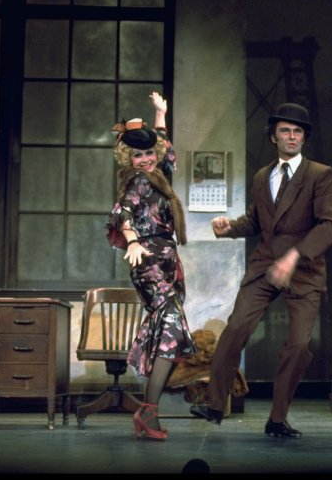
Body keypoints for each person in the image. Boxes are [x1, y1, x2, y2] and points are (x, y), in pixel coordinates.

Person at [189, 102, 332, 438]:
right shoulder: (263, 176)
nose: (292, 136)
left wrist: (294, 257)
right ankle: (215, 405)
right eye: (285, 130)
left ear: (304, 137)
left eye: (298, 131)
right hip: (264, 266)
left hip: (304, 269)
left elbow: (331, 225)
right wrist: (228, 227)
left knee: (299, 345)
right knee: (236, 329)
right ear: (273, 136)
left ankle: (277, 419)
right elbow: (257, 220)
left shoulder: (320, 174)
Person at [106, 92, 197, 440]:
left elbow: (166, 153)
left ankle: (148, 412)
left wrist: (160, 115)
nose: (144, 159)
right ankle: (150, 412)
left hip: (166, 258)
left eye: (148, 153)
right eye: (137, 154)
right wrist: (130, 240)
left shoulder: (159, 175)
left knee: (167, 333)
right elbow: (122, 211)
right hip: (147, 260)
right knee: (172, 330)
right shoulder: (138, 181)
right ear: (127, 157)